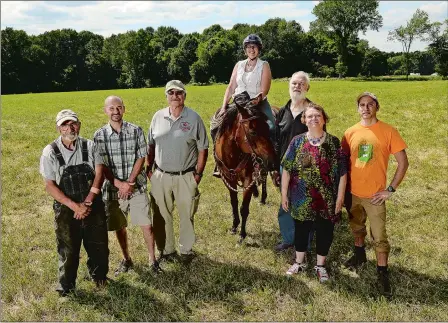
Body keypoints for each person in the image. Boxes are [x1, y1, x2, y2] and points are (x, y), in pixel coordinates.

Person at [342, 92, 409, 297]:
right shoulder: (350, 132)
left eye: (370, 104)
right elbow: (342, 163)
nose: (365, 108)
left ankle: (382, 273)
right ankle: (359, 255)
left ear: (376, 107)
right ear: (357, 108)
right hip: (353, 193)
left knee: (379, 235)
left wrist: (390, 189)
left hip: (375, 196)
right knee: (356, 227)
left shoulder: (388, 131)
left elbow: (403, 162)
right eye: (362, 104)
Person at [40, 109, 109, 296]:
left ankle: (99, 277)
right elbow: (50, 185)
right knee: (68, 247)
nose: (70, 127)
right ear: (58, 128)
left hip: (92, 204)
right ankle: (66, 287)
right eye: (65, 124)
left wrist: (87, 202)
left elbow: (100, 172)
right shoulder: (50, 152)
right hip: (66, 208)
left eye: (73, 123)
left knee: (98, 244)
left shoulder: (90, 145)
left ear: (79, 125)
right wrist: (74, 206)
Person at [93, 96, 160, 275]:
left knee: (146, 224)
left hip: (136, 186)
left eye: (119, 107)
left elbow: (141, 157)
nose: (116, 112)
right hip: (113, 189)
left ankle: (152, 260)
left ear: (124, 109)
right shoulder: (99, 136)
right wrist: (118, 184)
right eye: (111, 108)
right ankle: (126, 259)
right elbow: (101, 164)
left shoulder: (136, 130)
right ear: (105, 110)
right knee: (119, 226)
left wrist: (129, 182)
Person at [281, 104, 347, 283]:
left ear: (324, 119)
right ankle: (299, 262)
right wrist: (284, 194)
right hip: (300, 198)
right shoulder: (297, 141)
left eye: (318, 115)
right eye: (309, 116)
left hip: (327, 198)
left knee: (325, 231)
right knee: (301, 230)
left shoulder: (333, 142)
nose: (314, 119)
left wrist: (340, 198)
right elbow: (286, 169)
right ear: (304, 120)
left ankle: (320, 265)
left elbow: (342, 172)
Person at [146, 80, 209, 264]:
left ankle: (186, 251)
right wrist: (149, 170)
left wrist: (198, 174)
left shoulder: (194, 118)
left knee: (186, 214)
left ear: (184, 96)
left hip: (186, 175)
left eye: (179, 93)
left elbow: (203, 148)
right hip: (160, 175)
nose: (175, 96)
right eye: (171, 93)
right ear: (166, 96)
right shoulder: (157, 117)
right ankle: (167, 250)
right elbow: (150, 144)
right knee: (161, 214)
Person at [213, 34, 274, 177]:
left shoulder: (264, 65)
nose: (251, 49)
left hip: (256, 103)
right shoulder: (239, 65)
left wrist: (257, 99)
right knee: (216, 124)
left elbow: (264, 89)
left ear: (259, 49)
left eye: (254, 47)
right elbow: (231, 86)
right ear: (245, 49)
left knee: (271, 126)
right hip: (239, 102)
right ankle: (218, 161)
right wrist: (224, 107)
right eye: (248, 47)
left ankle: (270, 162)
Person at [274, 71, 317, 252]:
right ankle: (288, 238)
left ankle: (304, 242)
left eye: (301, 84)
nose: (297, 87)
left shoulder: (312, 112)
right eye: (294, 83)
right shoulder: (283, 112)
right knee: (285, 203)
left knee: (304, 204)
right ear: (289, 86)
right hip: (285, 165)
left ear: (307, 87)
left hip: (306, 164)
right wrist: (276, 168)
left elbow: (319, 139)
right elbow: (276, 141)